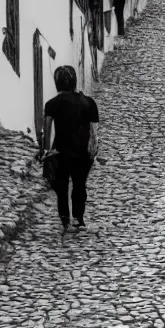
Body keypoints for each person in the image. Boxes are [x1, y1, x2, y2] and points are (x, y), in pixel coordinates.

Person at [42, 65, 99, 235]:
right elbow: (94, 131)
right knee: (80, 186)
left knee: (61, 187)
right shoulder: (89, 102)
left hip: (60, 152)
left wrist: (46, 152)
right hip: (82, 152)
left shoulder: (51, 104)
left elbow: (47, 130)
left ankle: (65, 220)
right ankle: (78, 218)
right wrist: (93, 151)